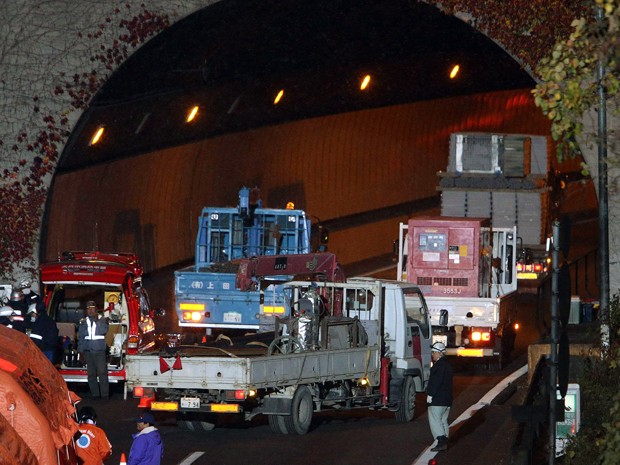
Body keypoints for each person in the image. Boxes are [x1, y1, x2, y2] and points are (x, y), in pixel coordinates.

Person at [78, 301, 110, 399]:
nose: (90, 311)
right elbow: (81, 337)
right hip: (88, 350)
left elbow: (103, 331)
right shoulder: (83, 321)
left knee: (102, 373)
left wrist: (96, 321)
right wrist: (80, 351)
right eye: (88, 309)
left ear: (96, 310)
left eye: (92, 308)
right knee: (91, 374)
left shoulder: (103, 320)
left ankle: (104, 395)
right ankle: (95, 395)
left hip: (99, 350)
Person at [426, 341, 453, 452]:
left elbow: (436, 382)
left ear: (440, 353)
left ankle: (441, 441)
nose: (432, 355)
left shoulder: (438, 367)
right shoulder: (448, 366)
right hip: (447, 400)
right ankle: (445, 440)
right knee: (443, 420)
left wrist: (430, 394)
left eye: (434, 352)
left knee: (435, 420)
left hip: (438, 399)